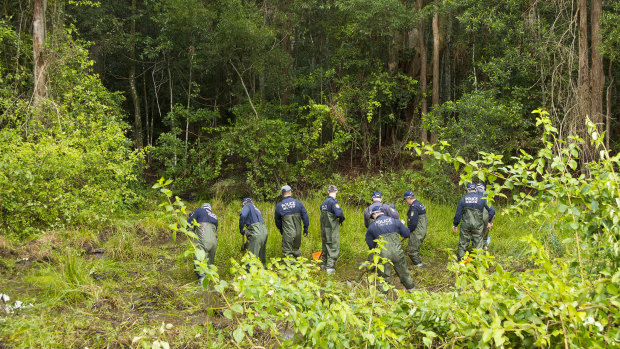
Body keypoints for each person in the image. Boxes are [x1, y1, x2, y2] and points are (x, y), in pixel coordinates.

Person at [365, 206, 416, 292]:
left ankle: (383, 296)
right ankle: (412, 289)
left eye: (372, 216)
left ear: (375, 214)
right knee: (404, 272)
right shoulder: (395, 221)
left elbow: (370, 243)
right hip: (397, 252)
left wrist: (375, 251)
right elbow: (406, 233)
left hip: (383, 254)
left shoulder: (372, 226)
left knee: (384, 275)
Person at [452, 183, 495, 261]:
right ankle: (479, 262)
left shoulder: (463, 199)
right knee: (478, 243)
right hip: (478, 226)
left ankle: (461, 261)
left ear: (468, 190)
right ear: (476, 190)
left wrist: (455, 225)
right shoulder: (482, 199)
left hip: (465, 225)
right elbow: (492, 210)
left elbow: (458, 214)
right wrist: (489, 222)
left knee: (463, 243)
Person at [187, 203, 218, 287]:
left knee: (199, 258)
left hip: (203, 240)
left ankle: (202, 285)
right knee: (209, 264)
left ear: (202, 207)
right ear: (210, 208)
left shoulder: (199, 210)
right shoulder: (214, 216)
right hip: (214, 242)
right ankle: (211, 282)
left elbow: (189, 223)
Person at [274, 185, 310, 258]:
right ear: (290, 192)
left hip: (288, 232)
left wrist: (281, 229)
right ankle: (299, 266)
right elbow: (305, 216)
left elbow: (277, 220)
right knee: (296, 250)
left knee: (287, 252)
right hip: (298, 232)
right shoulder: (298, 203)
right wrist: (305, 228)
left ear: (282, 193)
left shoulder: (279, 205)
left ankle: (290, 266)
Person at [320, 185, 345, 274]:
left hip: (324, 230)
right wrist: (342, 219)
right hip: (331, 229)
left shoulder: (323, 203)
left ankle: (323, 265)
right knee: (333, 246)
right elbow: (339, 213)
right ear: (336, 191)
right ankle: (330, 268)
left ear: (328, 192)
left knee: (325, 246)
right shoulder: (333, 202)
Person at [239, 197, 268, 265]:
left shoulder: (247, 205)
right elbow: (257, 235)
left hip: (255, 232)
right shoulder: (257, 209)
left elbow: (243, 215)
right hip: (264, 232)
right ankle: (263, 273)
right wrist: (246, 245)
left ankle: (249, 273)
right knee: (261, 260)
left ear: (244, 203)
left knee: (251, 259)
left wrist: (241, 228)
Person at [403, 190, 427, 267]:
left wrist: (408, 231)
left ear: (408, 198)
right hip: (422, 230)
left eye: (406, 200)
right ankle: (418, 264)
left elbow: (413, 222)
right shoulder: (420, 204)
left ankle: (419, 266)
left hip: (417, 231)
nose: (406, 202)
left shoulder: (414, 207)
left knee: (411, 251)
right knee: (415, 248)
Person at [477, 183, 495, 251]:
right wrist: (490, 222)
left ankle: (477, 246)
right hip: (485, 215)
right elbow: (492, 210)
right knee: (485, 231)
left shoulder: (472, 194)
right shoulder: (486, 195)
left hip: (475, 215)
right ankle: (483, 246)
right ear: (483, 188)